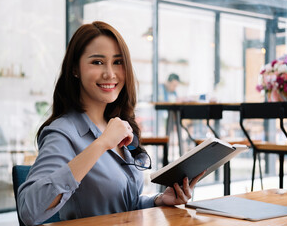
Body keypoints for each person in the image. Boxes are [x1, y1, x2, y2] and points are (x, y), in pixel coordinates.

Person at [17, 21, 204, 225]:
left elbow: (124, 207)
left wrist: (159, 200)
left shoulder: (117, 125)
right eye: (97, 62)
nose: (110, 73)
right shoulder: (62, 132)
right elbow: (30, 211)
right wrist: (101, 144)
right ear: (75, 69)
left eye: (117, 62)